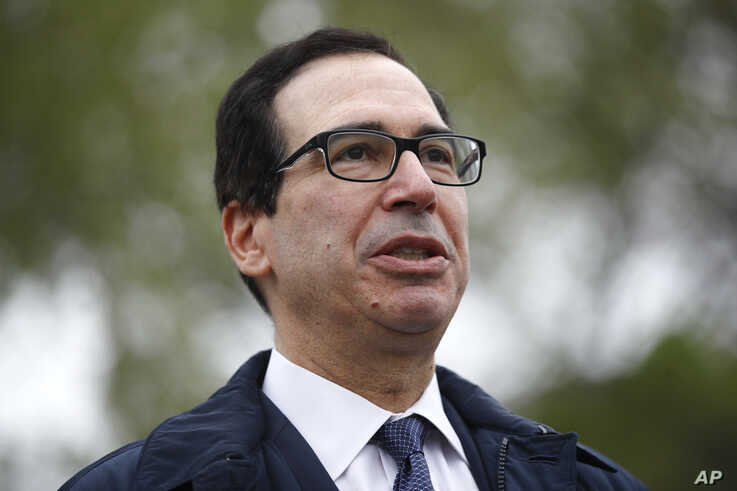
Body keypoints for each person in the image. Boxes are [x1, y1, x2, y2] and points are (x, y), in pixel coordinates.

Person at [60, 27, 647, 491]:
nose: (419, 187)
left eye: (438, 153)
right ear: (247, 236)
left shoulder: (593, 483)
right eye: (358, 152)